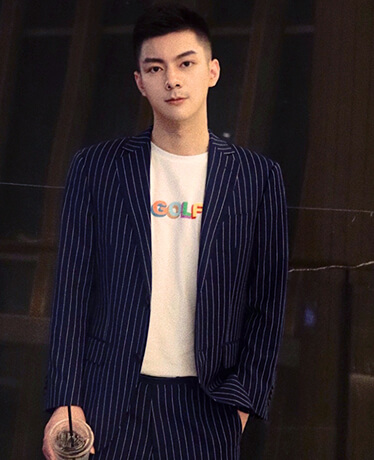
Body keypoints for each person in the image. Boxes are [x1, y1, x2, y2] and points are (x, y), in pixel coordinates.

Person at [43, 4, 288, 459]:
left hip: (208, 405)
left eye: (186, 63)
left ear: (212, 71)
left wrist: (242, 405)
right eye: (156, 68)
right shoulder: (97, 168)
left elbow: (268, 300)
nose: (172, 79)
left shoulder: (257, 178)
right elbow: (72, 289)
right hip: (109, 397)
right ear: (140, 81)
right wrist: (65, 401)